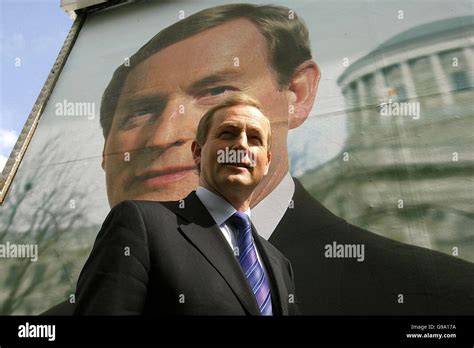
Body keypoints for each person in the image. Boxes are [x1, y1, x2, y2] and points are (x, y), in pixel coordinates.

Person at [43, 3, 473, 315]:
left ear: (297, 96)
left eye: (215, 92)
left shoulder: (441, 293)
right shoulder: (127, 236)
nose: (164, 135)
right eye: (139, 111)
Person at [73, 95, 298, 315]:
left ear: (266, 162)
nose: (241, 144)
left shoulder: (279, 263)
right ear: (198, 153)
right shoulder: (142, 224)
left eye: (255, 138)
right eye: (227, 133)